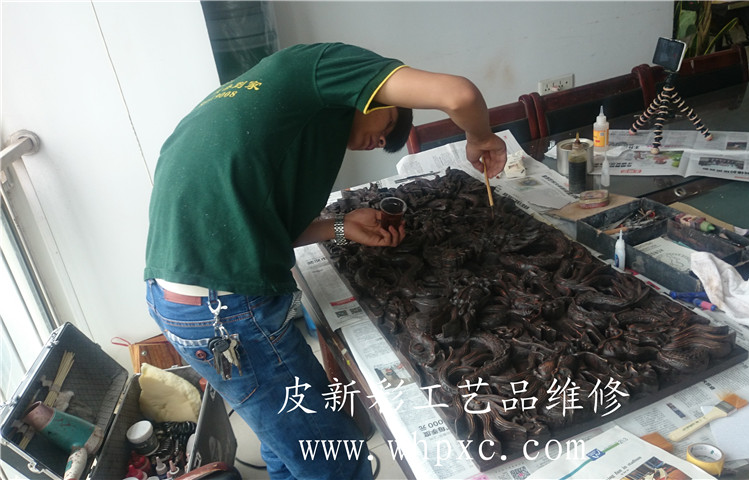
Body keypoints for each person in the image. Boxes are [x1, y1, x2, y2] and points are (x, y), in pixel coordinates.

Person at [144, 42, 506, 479]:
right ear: (373, 96)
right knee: (336, 459)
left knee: (285, 436)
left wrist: (341, 226)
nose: (382, 142)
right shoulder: (316, 66)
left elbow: (268, 228)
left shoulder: (287, 121)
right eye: (389, 125)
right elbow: (460, 95)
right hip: (225, 311)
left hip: (184, 295)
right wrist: (480, 137)